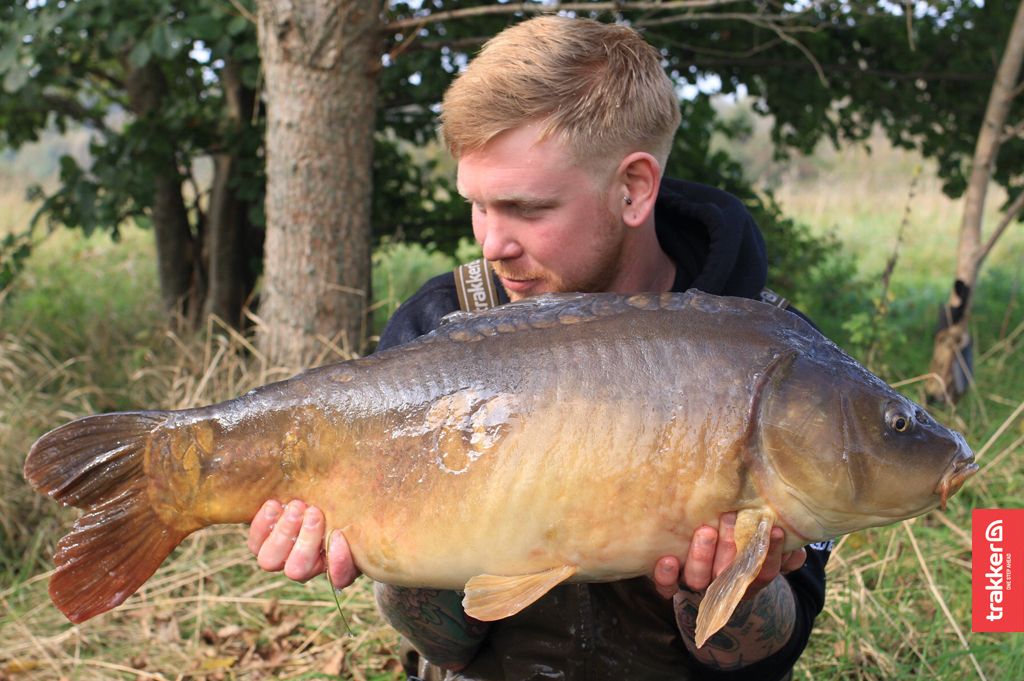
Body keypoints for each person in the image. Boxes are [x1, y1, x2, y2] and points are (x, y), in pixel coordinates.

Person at [247, 15, 829, 680]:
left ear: (634, 187)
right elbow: (446, 648)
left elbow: (775, 648)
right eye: (480, 205)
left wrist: (732, 589)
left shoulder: (775, 363)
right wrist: (390, 560)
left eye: (526, 208)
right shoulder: (441, 325)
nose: (493, 243)